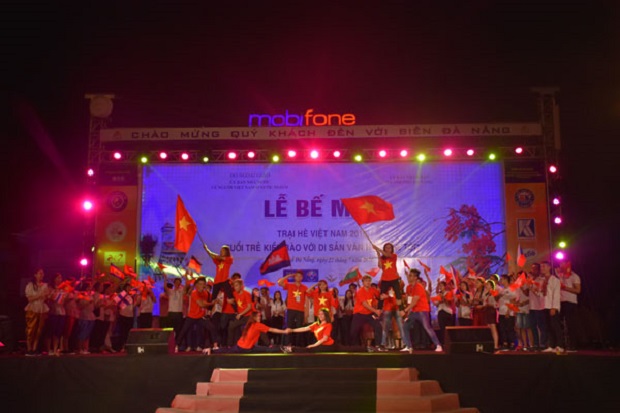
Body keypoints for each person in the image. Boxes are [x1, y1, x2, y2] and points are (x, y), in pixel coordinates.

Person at [204, 311, 289, 354]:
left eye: (260, 316)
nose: (260, 317)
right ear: (254, 317)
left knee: (227, 350)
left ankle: (210, 350)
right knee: (267, 349)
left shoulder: (250, 324)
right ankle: (284, 348)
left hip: (239, 346)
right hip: (247, 349)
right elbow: (272, 329)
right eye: (258, 316)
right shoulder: (257, 325)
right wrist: (284, 331)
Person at [401, 268, 442, 353]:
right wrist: (408, 313)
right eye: (409, 275)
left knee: (427, 327)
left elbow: (415, 301)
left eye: (411, 276)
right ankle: (409, 346)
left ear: (416, 278)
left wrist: (405, 311)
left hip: (422, 311)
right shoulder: (408, 287)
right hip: (414, 311)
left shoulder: (419, 287)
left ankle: (438, 345)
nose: (409, 277)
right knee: (405, 326)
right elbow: (410, 301)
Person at [175, 277, 219, 352]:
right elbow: (201, 304)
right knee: (183, 330)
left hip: (200, 317)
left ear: (205, 285)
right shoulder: (194, 293)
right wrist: (212, 303)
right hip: (191, 316)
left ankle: (215, 345)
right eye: (199, 284)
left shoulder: (206, 293)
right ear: (196, 285)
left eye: (202, 284)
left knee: (211, 327)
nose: (201, 286)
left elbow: (210, 300)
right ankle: (176, 345)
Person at [348, 275, 385, 351]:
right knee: (354, 330)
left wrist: (384, 296)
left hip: (369, 314)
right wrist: (376, 311)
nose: (368, 282)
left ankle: (378, 345)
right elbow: (365, 304)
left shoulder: (373, 289)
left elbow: (379, 296)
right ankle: (353, 347)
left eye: (369, 281)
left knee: (378, 326)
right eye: (366, 281)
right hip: (359, 314)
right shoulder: (360, 291)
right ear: (363, 282)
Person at [277, 271, 308, 347]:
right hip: (291, 309)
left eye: (300, 276)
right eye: (297, 276)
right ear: (294, 277)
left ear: (302, 278)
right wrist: (289, 276)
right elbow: (279, 282)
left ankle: (298, 346)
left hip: (300, 310)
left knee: (299, 328)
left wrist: (306, 314)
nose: (298, 277)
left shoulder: (304, 287)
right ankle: (288, 344)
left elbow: (307, 301)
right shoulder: (290, 285)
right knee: (289, 327)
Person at [24, 268, 50, 356]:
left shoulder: (45, 285)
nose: (42, 275)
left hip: (42, 309)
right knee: (31, 329)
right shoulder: (30, 285)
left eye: (42, 273)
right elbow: (29, 298)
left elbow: (47, 297)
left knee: (39, 330)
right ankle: (29, 348)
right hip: (33, 308)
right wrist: (40, 295)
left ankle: (34, 348)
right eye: (40, 273)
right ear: (35, 275)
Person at [371, 243, 403, 311]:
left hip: (394, 278)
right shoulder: (383, 258)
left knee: (398, 294)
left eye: (389, 248)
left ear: (392, 249)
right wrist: (378, 255)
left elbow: (387, 254)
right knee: (381, 295)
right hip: (385, 279)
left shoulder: (394, 256)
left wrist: (377, 248)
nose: (388, 249)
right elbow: (380, 266)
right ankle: (379, 310)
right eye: (386, 248)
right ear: (384, 249)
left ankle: (401, 310)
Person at [541, 261, 564, 353]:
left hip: (552, 306)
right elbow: (542, 294)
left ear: (549, 267)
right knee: (548, 326)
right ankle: (551, 345)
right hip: (545, 305)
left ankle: (560, 345)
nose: (542, 268)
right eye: (541, 267)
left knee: (555, 326)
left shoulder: (555, 280)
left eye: (544, 266)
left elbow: (556, 295)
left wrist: (554, 307)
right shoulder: (543, 280)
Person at [558, 262, 581, 351]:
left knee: (571, 324)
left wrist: (565, 287)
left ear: (568, 265)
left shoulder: (574, 276)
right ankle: (563, 344)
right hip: (561, 302)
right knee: (562, 324)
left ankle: (573, 345)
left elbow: (578, 290)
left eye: (563, 264)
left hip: (570, 302)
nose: (560, 266)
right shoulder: (560, 275)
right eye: (560, 265)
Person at [203, 244, 235, 308]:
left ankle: (236, 310)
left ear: (226, 251)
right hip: (217, 281)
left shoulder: (229, 259)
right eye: (221, 251)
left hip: (225, 280)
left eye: (222, 250)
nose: (221, 252)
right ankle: (209, 313)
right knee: (213, 298)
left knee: (230, 296)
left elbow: (218, 257)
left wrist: (208, 250)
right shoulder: (218, 261)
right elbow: (213, 256)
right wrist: (206, 250)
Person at [226, 279, 254, 347]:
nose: (235, 288)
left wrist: (241, 314)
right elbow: (232, 301)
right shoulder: (234, 293)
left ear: (241, 286)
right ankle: (230, 345)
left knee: (250, 330)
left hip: (248, 316)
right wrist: (229, 301)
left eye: (237, 286)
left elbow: (249, 307)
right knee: (231, 326)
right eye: (234, 286)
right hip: (241, 316)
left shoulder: (246, 294)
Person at [47, 273, 69, 356]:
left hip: (61, 312)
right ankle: (49, 349)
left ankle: (56, 349)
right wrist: (55, 294)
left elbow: (64, 301)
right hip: (52, 311)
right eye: (58, 278)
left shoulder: (63, 289)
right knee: (51, 331)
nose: (59, 280)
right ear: (54, 279)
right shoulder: (50, 288)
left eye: (60, 278)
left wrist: (65, 296)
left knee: (58, 332)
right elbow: (49, 298)